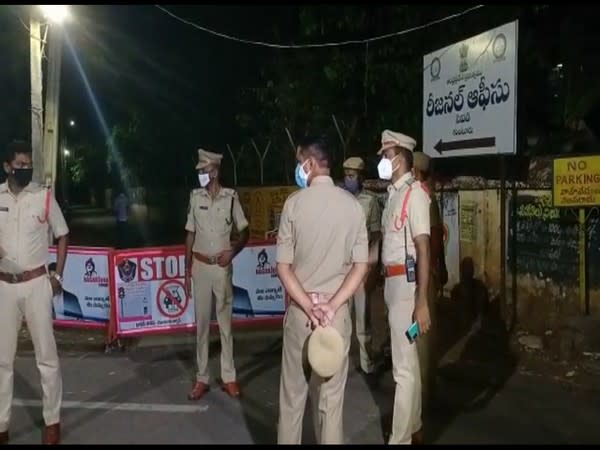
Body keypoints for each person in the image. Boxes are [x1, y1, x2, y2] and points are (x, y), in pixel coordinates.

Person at [276, 136, 369, 444]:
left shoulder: (293, 205)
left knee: (292, 402)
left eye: (299, 162)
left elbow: (283, 268)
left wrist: (308, 305)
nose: (297, 169)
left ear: (310, 164)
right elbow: (361, 266)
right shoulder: (353, 207)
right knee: (330, 406)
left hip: (301, 319)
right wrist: (331, 306)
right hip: (336, 320)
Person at [0, 140, 69, 444]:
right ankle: (1, 424)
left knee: (47, 358)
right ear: (7, 167)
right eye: (20, 165)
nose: (26, 169)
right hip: (4, 286)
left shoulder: (43, 196)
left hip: (37, 284)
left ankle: (52, 422)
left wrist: (58, 276)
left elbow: (63, 235)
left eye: (29, 165)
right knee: (2, 360)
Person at [377, 130, 431, 445]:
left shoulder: (416, 194)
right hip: (394, 287)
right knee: (408, 360)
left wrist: (421, 301)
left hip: (407, 292)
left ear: (399, 159)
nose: (382, 160)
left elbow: (423, 248)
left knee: (403, 370)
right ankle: (414, 427)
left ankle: (400, 440)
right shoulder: (394, 195)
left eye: (386, 155)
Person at [184, 148, 249, 400]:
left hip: (222, 269)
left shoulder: (231, 198)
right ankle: (201, 378)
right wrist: (185, 269)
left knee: (225, 325)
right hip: (199, 268)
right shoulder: (194, 197)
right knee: (201, 326)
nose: (201, 174)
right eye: (200, 171)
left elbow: (244, 231)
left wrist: (232, 252)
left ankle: (229, 377)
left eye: (204, 170)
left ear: (215, 171)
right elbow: (189, 234)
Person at [411, 151, 447, 442]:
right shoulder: (426, 196)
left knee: (421, 340)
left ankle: (421, 402)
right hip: (425, 276)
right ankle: (424, 394)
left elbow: (432, 240)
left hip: (421, 278)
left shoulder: (422, 197)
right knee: (421, 336)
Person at [342, 156, 381, 376]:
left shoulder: (370, 201)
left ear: (361, 178)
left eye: (352, 176)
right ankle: (341, 366)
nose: (348, 180)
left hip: (362, 268)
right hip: (342, 269)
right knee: (342, 319)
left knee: (363, 321)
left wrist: (371, 266)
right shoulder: (338, 200)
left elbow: (375, 235)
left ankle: (368, 366)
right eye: (346, 176)